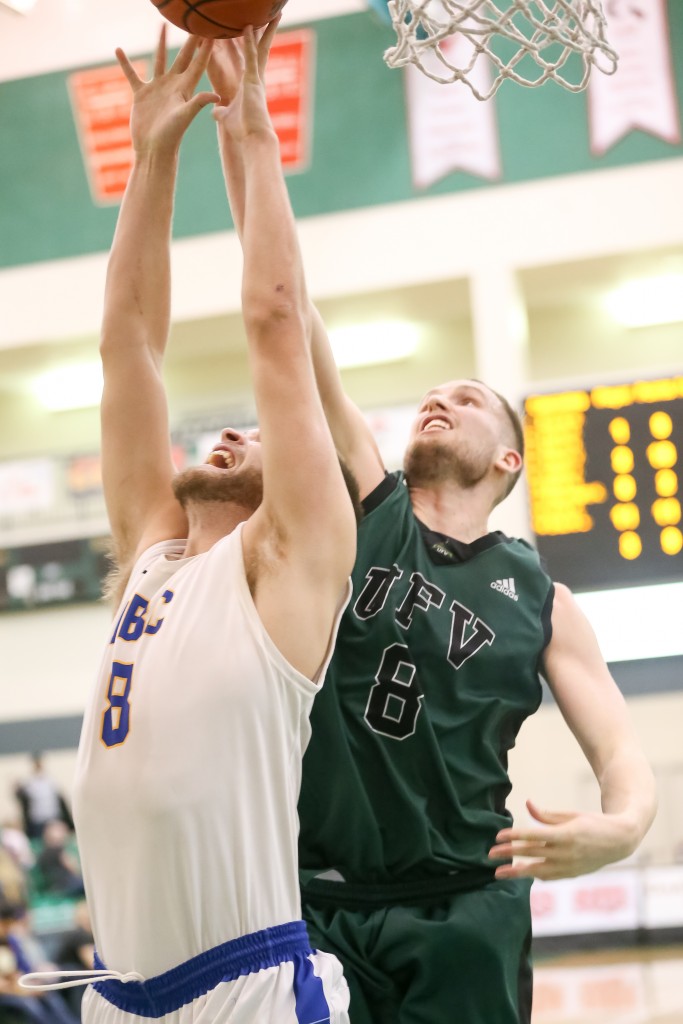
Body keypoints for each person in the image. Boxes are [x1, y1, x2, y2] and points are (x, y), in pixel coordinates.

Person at [21, 23, 355, 1024]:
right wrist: (151, 150)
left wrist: (247, 132)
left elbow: (272, 316)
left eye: (255, 436)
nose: (226, 433)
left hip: (245, 984)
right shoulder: (153, 556)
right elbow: (128, 342)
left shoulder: (289, 564)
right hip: (119, 994)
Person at [289, 359, 657, 1019]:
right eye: (431, 398)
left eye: (466, 400)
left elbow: (618, 750)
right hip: (317, 901)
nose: (440, 401)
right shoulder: (369, 513)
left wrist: (623, 828)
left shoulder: (545, 602)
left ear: (507, 459)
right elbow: (301, 346)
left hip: (464, 908)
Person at [14, 755, 72, 841]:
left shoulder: (50, 781)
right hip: (37, 819)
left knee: (57, 841)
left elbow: (59, 799)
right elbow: (21, 797)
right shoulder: (29, 782)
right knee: (39, 842)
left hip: (52, 816)